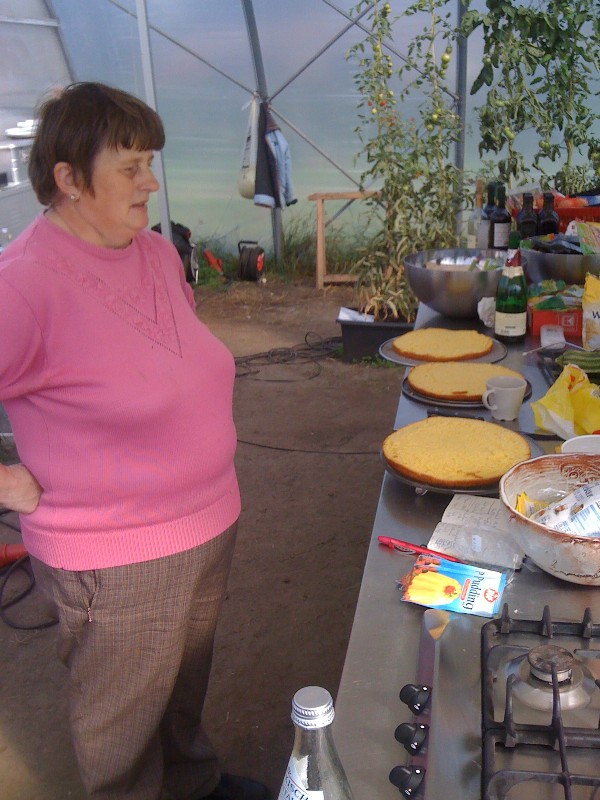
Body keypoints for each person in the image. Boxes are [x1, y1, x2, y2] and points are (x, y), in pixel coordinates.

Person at [0, 82, 270, 800]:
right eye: (130, 167)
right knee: (121, 724)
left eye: (150, 161)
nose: (151, 181)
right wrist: (9, 482)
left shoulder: (153, 254)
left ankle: (192, 785)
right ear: (68, 179)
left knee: (181, 688)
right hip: (116, 553)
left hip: (207, 523)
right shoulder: (23, 286)